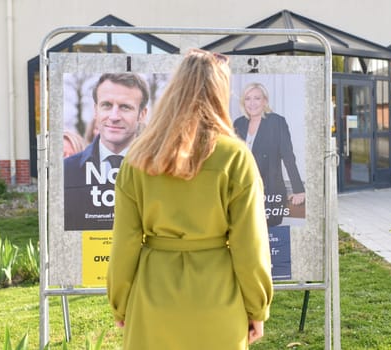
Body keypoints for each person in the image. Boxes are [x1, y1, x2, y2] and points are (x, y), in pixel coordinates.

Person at [107, 49, 273, 350]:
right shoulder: (235, 156)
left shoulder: (138, 157)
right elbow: (250, 245)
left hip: (152, 298)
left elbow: (125, 242)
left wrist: (120, 302)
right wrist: (257, 308)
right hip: (218, 297)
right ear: (220, 92)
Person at [63, 73, 149, 230]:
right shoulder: (66, 171)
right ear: (96, 111)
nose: (114, 116)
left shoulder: (160, 169)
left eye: (125, 107)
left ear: (142, 115)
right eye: (107, 105)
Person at [233, 82, 305, 226]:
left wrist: (298, 190)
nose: (252, 103)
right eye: (248, 98)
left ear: (265, 101)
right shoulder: (238, 124)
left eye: (257, 98)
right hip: (243, 193)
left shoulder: (276, 122)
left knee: (270, 236)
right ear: (243, 102)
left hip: (271, 192)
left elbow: (288, 158)